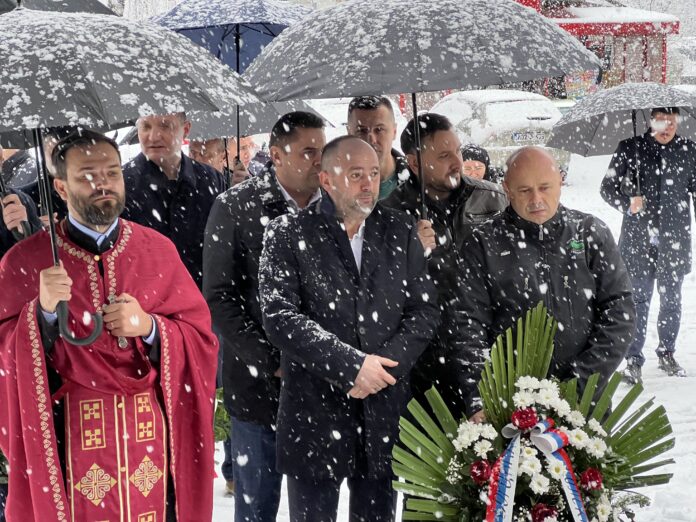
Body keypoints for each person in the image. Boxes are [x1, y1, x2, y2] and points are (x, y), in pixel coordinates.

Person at [0, 130, 218, 521]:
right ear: (61, 188)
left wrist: (150, 327)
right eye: (86, 175)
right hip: (69, 437)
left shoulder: (157, 250)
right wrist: (42, 314)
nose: (102, 183)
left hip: (150, 438)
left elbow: (201, 340)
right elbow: (4, 361)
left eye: (111, 172)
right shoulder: (26, 260)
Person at [259, 135, 439, 522]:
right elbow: (278, 316)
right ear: (326, 180)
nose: (368, 184)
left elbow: (424, 312)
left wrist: (380, 369)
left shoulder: (400, 229)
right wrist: (351, 366)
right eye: (355, 174)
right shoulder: (287, 233)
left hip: (383, 414)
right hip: (314, 414)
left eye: (373, 174)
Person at [203, 112, 326, 520]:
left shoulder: (335, 205)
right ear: (276, 154)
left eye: (322, 149)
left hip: (323, 386)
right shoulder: (235, 207)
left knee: (316, 509)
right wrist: (271, 362)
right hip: (258, 388)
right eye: (309, 151)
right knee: (256, 508)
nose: (319, 160)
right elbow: (220, 298)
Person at [459, 146, 635, 420]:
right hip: (510, 406)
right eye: (525, 190)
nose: (537, 199)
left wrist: (578, 386)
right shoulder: (483, 244)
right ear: (506, 188)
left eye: (545, 187)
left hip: (585, 406)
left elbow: (619, 312)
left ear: (560, 182)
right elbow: (467, 326)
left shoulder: (590, 233)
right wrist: (480, 396)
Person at [381, 113, 506, 416]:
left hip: (492, 354)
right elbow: (380, 294)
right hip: (425, 365)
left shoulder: (492, 199)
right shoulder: (389, 215)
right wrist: (410, 252)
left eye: (458, 151)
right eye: (444, 155)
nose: (457, 162)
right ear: (414, 163)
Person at [601, 107, 696, 382]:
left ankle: (667, 352)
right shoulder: (630, 148)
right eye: (659, 122)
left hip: (674, 240)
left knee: (672, 299)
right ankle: (633, 359)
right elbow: (607, 188)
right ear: (649, 121)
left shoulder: (689, 150)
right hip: (637, 239)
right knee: (638, 300)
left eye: (671, 122)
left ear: (677, 121)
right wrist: (628, 204)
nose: (666, 128)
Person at [121, 112, 226, 288]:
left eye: (165, 126)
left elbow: (222, 247)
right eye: (145, 127)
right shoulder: (121, 183)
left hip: (202, 297)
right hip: (144, 302)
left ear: (185, 130)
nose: (153, 136)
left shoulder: (211, 179)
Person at [346, 95, 409, 200]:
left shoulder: (419, 180)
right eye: (362, 131)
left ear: (394, 131)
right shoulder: (333, 183)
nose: (371, 140)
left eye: (379, 129)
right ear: (349, 133)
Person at [18, 127, 73, 224]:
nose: (59, 161)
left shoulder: (101, 188)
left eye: (64, 153)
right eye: (53, 153)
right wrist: (34, 230)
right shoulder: (25, 198)